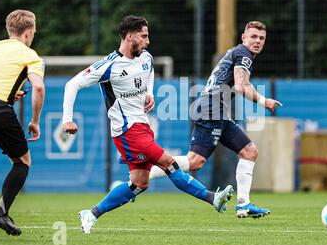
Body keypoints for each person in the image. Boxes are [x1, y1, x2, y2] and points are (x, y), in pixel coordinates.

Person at [62, 15, 233, 233]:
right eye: (144, 36)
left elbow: (149, 71)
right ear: (130, 36)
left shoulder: (146, 58)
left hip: (143, 127)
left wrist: (149, 93)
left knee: (140, 183)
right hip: (127, 131)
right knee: (169, 163)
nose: (148, 41)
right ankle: (213, 198)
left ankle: (91, 213)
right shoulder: (109, 65)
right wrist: (67, 118)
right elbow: (72, 84)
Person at [150, 21, 282, 218]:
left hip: (216, 109)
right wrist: (264, 101)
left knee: (249, 151)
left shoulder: (238, 53)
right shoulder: (243, 54)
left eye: (261, 38)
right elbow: (241, 85)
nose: (257, 41)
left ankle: (243, 205)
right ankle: (148, 171)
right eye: (253, 36)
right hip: (212, 108)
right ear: (243, 38)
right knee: (195, 162)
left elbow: (242, 83)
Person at [0, 9, 45, 235]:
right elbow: (38, 87)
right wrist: (35, 121)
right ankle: (2, 213)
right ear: (29, 33)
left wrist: (11, 94)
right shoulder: (30, 54)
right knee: (22, 162)